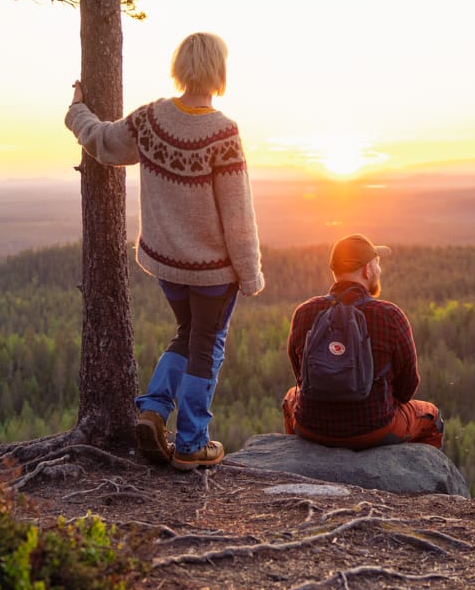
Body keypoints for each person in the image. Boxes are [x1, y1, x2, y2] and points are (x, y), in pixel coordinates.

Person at [65, 32, 264, 470]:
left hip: (167, 266)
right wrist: (250, 274)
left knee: (186, 334)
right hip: (213, 272)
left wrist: (77, 110)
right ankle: (191, 443)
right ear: (219, 71)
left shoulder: (151, 120)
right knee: (206, 346)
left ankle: (153, 410)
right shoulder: (223, 133)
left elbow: (101, 141)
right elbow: (238, 214)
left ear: (181, 68)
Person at [282, 233, 444, 449]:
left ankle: (300, 457)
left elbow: (301, 378)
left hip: (311, 426)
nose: (379, 269)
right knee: (432, 417)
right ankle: (421, 469)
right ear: (367, 270)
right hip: (373, 428)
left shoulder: (305, 312)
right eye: (377, 263)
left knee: (290, 397)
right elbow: (407, 389)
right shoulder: (389, 315)